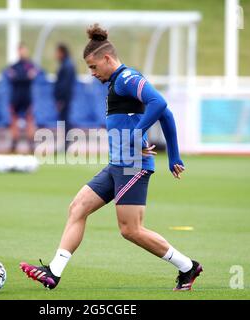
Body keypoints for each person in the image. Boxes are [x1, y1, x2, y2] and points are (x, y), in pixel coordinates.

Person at [20, 24, 202, 291]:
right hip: (119, 164)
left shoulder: (127, 78)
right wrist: (173, 155)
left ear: (107, 59)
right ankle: (53, 273)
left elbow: (160, 104)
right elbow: (166, 115)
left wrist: (139, 136)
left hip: (132, 165)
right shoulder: (118, 82)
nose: (92, 73)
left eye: (94, 67)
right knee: (78, 207)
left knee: (131, 230)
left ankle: (187, 267)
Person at [5, 43, 38, 153]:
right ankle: (14, 143)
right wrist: (24, 77)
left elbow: (32, 76)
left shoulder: (30, 65)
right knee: (14, 120)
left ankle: (31, 144)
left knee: (29, 120)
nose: (22, 52)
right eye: (20, 50)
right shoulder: (13, 66)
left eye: (24, 50)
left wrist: (20, 77)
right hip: (16, 97)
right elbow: (12, 77)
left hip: (26, 97)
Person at [54, 43, 76, 151]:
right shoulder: (66, 64)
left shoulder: (67, 65)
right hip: (65, 99)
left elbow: (65, 85)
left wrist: (61, 100)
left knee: (65, 121)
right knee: (64, 121)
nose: (56, 55)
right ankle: (65, 145)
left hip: (64, 99)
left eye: (57, 52)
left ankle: (66, 145)